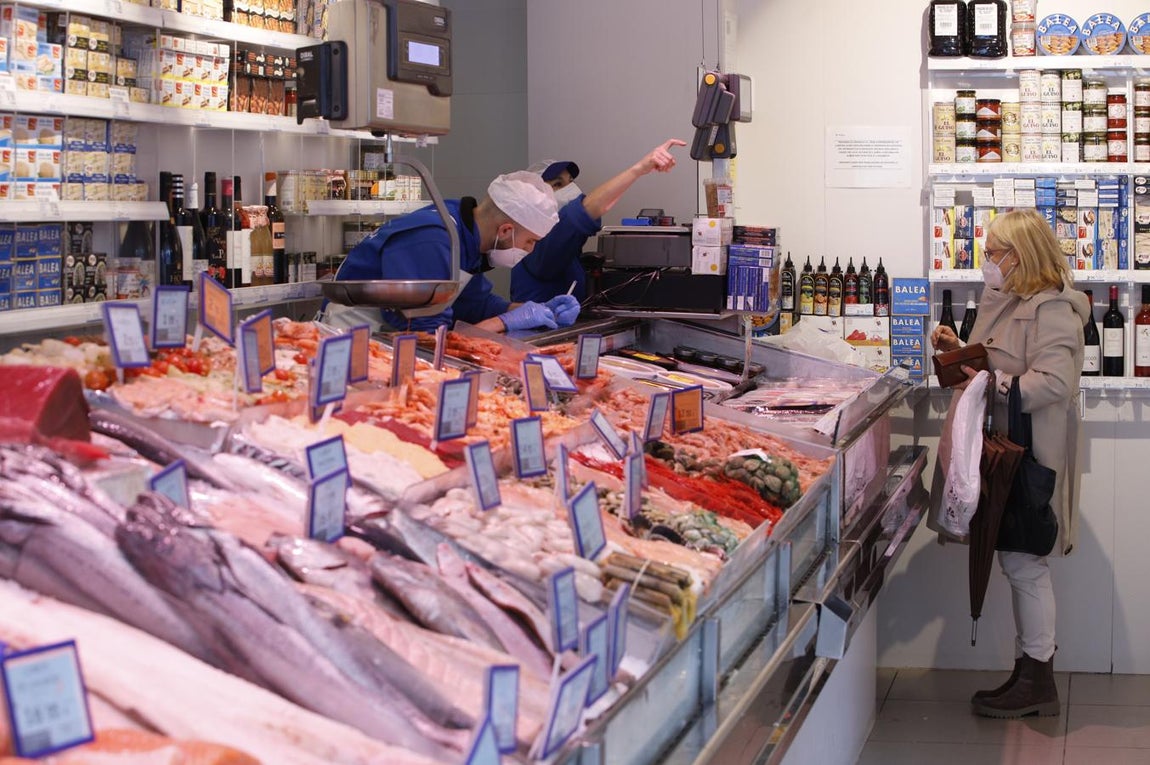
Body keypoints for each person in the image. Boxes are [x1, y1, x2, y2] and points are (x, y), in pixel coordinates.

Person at [929, 209, 1088, 719]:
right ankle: (1029, 672)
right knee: (1018, 560)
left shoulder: (1054, 309)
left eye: (994, 252)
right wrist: (962, 353)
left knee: (1024, 562)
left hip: (1029, 455)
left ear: (1020, 256)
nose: (986, 261)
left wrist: (994, 383)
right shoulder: (1009, 300)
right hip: (1002, 448)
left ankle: (1037, 676)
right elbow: (1001, 358)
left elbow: (1055, 384)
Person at [325, 171, 574, 334]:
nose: (530, 250)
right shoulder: (433, 239)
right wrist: (502, 323)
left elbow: (477, 304)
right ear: (506, 230)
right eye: (530, 241)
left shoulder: (467, 235)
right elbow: (423, 329)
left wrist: (530, 310)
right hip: (356, 338)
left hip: (388, 339)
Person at [510, 139, 687, 304]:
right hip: (540, 333)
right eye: (557, 184)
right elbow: (581, 214)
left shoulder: (560, 245)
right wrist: (639, 169)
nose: (571, 190)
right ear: (534, 198)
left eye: (570, 182)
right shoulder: (535, 245)